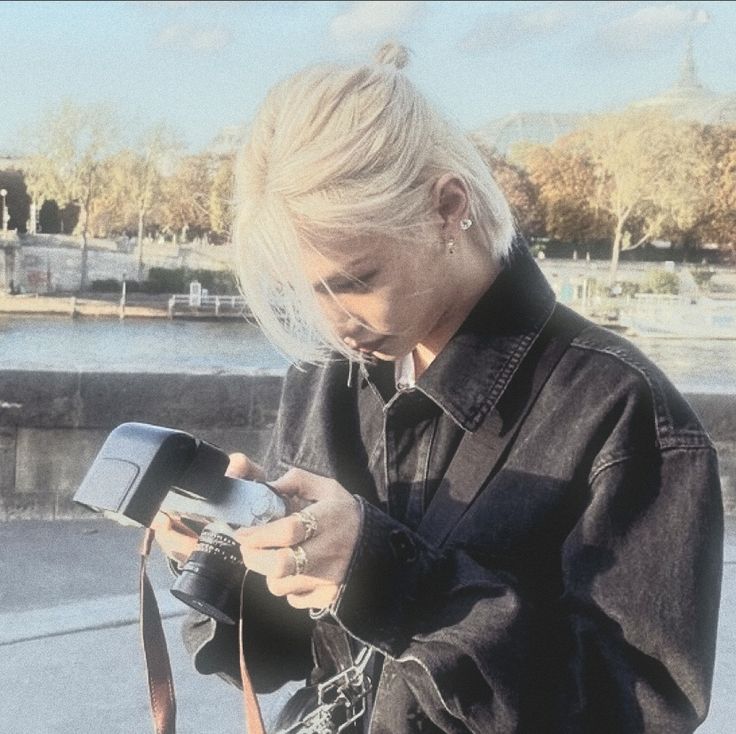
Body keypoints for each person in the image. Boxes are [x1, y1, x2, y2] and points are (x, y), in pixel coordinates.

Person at [153, 44, 723, 733]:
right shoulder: (326, 376)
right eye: (304, 292)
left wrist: (391, 583)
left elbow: (635, 711)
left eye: (356, 280)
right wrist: (235, 561)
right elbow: (306, 658)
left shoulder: (621, 410)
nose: (333, 322)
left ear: (448, 207)